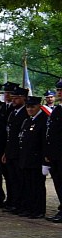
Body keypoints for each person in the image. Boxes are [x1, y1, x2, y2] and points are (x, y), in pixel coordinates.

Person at [18, 96, 48, 219]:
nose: (30, 109)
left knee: (37, 186)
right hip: (26, 158)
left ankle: (38, 209)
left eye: (32, 106)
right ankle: (29, 207)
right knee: (28, 185)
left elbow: (44, 142)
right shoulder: (28, 120)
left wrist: (44, 161)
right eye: (28, 106)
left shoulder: (43, 120)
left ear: (39, 106)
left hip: (36, 159)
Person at [2, 87, 28, 213]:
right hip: (11, 151)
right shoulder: (13, 112)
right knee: (12, 179)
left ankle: (22, 204)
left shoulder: (26, 113)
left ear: (24, 98)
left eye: (17, 98)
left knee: (21, 181)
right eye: (13, 98)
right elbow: (9, 135)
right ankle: (14, 202)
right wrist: (6, 152)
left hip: (20, 152)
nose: (14, 100)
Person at [47, 80, 62, 222]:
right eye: (58, 90)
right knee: (58, 182)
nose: (59, 92)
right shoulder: (57, 109)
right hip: (55, 154)